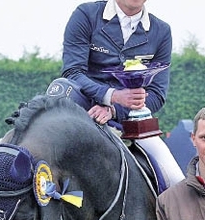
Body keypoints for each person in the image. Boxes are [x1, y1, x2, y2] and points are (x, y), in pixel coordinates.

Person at [50, 0, 185, 190]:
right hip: (80, 114)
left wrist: (114, 109)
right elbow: (73, 72)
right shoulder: (86, 15)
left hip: (131, 123)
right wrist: (111, 95)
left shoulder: (161, 31)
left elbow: (157, 94)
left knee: (175, 182)